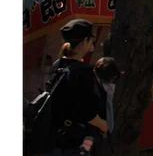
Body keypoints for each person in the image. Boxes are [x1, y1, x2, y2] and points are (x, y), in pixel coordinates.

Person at [42, 19, 108, 156]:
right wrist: (104, 125)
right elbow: (88, 113)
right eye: (91, 39)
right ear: (85, 41)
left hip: (53, 137)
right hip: (74, 142)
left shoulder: (57, 65)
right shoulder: (84, 71)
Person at [90, 57, 121, 156]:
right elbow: (88, 112)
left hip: (101, 134)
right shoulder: (92, 87)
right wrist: (102, 125)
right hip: (91, 134)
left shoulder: (105, 88)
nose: (111, 82)